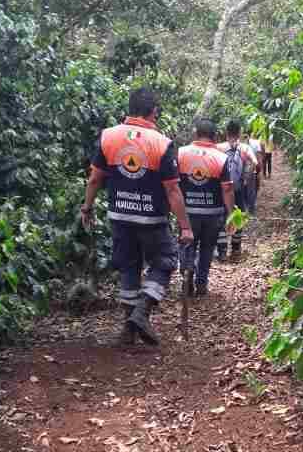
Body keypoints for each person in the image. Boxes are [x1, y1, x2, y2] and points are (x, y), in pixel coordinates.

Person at [81, 86, 193, 346]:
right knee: (165, 261)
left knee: (128, 266)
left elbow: (96, 177)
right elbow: (173, 190)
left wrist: (86, 207)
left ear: (129, 109)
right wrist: (185, 227)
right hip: (152, 219)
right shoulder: (162, 143)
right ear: (153, 112)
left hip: (119, 216)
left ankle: (128, 329)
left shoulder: (108, 137)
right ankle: (142, 312)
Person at [177, 118, 234, 296]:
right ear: (215, 136)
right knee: (208, 248)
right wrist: (231, 214)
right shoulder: (221, 158)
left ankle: (188, 273)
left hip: (188, 212)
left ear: (195, 134)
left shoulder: (181, 153)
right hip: (213, 214)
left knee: (188, 245)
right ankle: (202, 284)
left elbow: (173, 184)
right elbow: (227, 189)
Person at [217, 119, 257, 259]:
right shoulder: (244, 148)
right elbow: (254, 162)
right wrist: (246, 177)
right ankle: (235, 249)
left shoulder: (218, 147)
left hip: (221, 188)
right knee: (238, 215)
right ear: (239, 132)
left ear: (226, 132)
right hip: (238, 188)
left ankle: (221, 250)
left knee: (221, 216)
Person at [246, 133, 263, 214]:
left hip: (252, 169)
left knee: (252, 189)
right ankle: (250, 208)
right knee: (252, 189)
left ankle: (250, 208)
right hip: (251, 170)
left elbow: (259, 159)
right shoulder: (255, 143)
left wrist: (259, 170)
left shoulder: (255, 143)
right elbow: (259, 158)